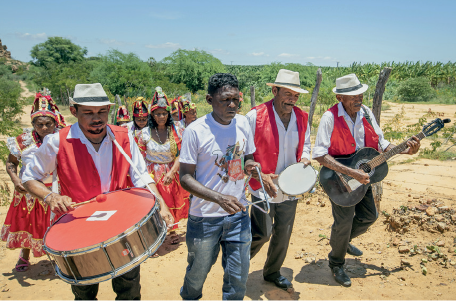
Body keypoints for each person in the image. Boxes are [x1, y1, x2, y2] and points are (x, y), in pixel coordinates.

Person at [22, 83, 173, 301]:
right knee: (84, 291)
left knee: (129, 286)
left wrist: (162, 205)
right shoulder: (57, 141)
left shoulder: (124, 137)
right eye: (89, 113)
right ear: (74, 112)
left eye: (102, 111)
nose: (97, 118)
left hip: (122, 226)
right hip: (77, 227)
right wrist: (50, 196)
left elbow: (142, 176)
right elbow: (29, 176)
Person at [312, 74, 421, 287]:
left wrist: (404, 151)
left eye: (360, 93)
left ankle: (342, 242)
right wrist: (351, 173)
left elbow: (382, 142)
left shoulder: (367, 114)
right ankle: (336, 263)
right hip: (338, 179)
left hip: (362, 179)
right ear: (340, 97)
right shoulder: (330, 117)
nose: (358, 98)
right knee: (343, 221)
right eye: (353, 95)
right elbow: (319, 155)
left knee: (370, 216)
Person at [179, 73, 274, 301]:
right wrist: (219, 198)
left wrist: (250, 164)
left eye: (235, 99)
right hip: (204, 218)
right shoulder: (196, 131)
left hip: (238, 215)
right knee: (197, 274)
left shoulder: (242, 123)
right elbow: (185, 177)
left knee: (238, 277)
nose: (232, 105)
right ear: (209, 99)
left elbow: (247, 155)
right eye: (224, 100)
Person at [245, 69, 312, 290]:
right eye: (287, 93)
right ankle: (238, 263)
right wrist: (258, 173)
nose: (292, 99)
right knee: (262, 233)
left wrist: (305, 157)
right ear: (274, 91)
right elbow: (244, 153)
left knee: (283, 233)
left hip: (291, 187)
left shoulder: (302, 117)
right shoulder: (255, 116)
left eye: (296, 95)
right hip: (262, 187)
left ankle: (272, 271)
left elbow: (307, 145)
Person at [2, 93, 66, 272]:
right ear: (33, 125)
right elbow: (11, 164)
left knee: (56, 224)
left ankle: (60, 257)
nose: (44, 128)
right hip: (28, 192)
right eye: (40, 125)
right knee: (29, 223)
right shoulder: (22, 141)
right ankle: (24, 255)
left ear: (55, 123)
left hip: (54, 189)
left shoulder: (62, 139)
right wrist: (16, 181)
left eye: (48, 124)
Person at [136, 87, 189, 246]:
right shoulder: (143, 134)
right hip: (152, 173)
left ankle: (171, 230)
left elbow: (182, 153)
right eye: (158, 113)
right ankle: (158, 231)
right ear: (152, 115)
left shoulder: (177, 131)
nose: (161, 117)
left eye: (164, 113)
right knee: (156, 202)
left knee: (172, 201)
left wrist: (172, 172)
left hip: (172, 171)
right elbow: (139, 157)